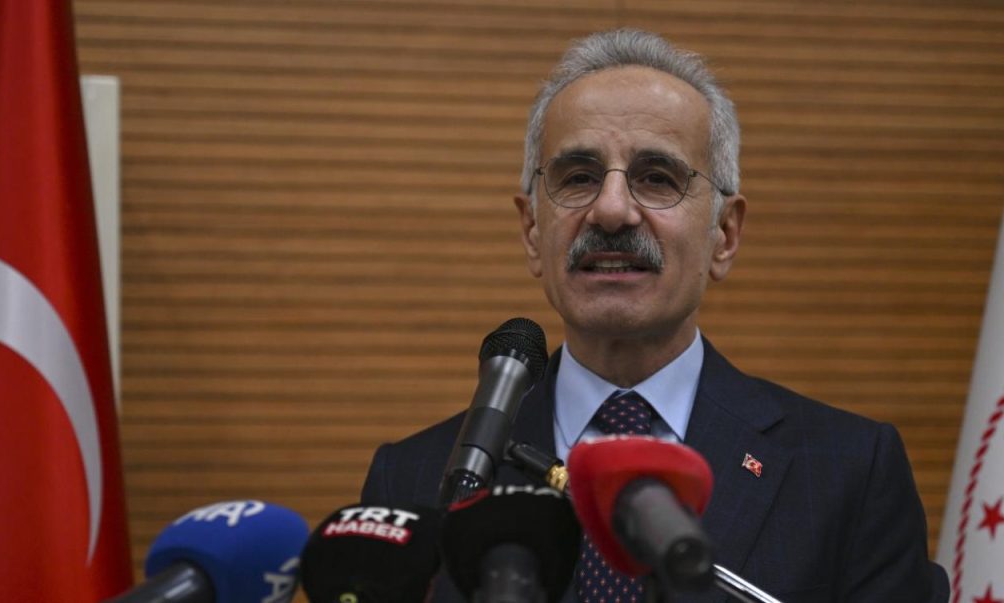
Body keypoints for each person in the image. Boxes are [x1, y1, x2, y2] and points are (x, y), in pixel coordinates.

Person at [361, 29, 949, 602]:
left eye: (657, 178)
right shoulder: (413, 481)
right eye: (579, 178)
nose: (612, 210)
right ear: (532, 230)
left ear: (724, 234)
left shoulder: (850, 473)